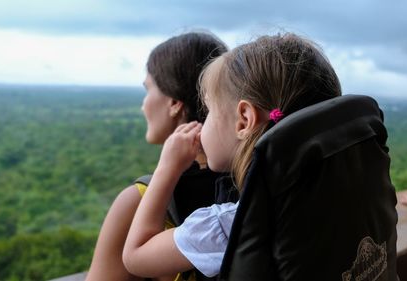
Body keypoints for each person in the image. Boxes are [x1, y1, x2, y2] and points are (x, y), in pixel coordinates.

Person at [122, 33, 343, 278]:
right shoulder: (344, 194)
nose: (202, 122)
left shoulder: (232, 224)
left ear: (244, 120)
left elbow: (136, 256)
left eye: (208, 110)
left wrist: (167, 168)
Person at [86, 32, 228, 281]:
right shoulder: (250, 180)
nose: (144, 105)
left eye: (148, 89)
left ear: (174, 103)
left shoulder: (137, 201)